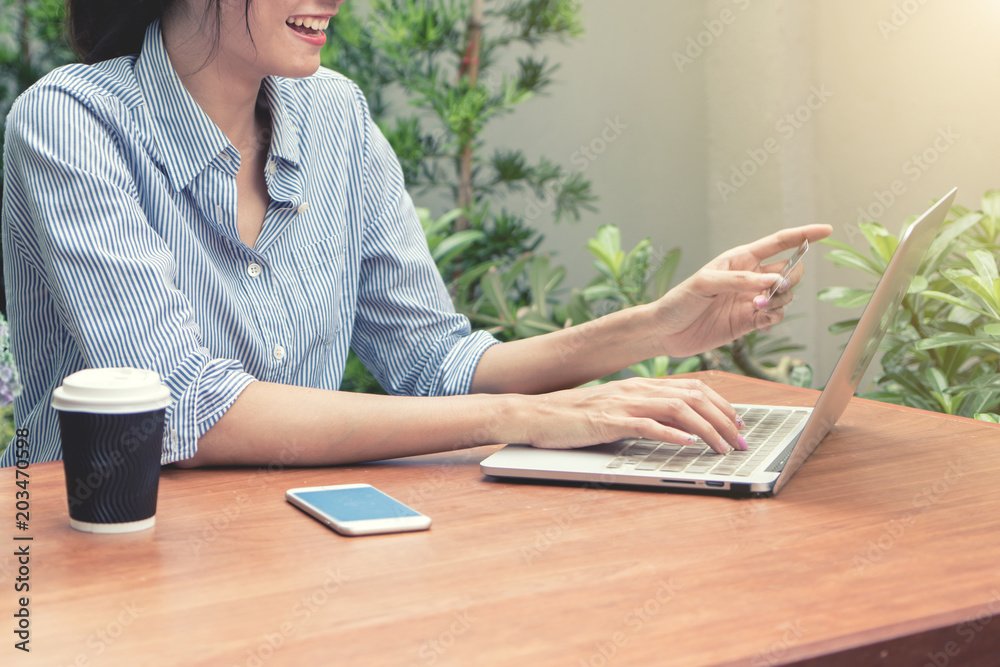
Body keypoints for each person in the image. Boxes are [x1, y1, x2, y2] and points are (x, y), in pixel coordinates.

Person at [0, 0, 831, 468]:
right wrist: (516, 417)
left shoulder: (338, 119)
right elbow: (183, 408)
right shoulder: (73, 125)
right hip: (87, 560)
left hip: (284, 544)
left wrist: (657, 325)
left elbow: (432, 363)